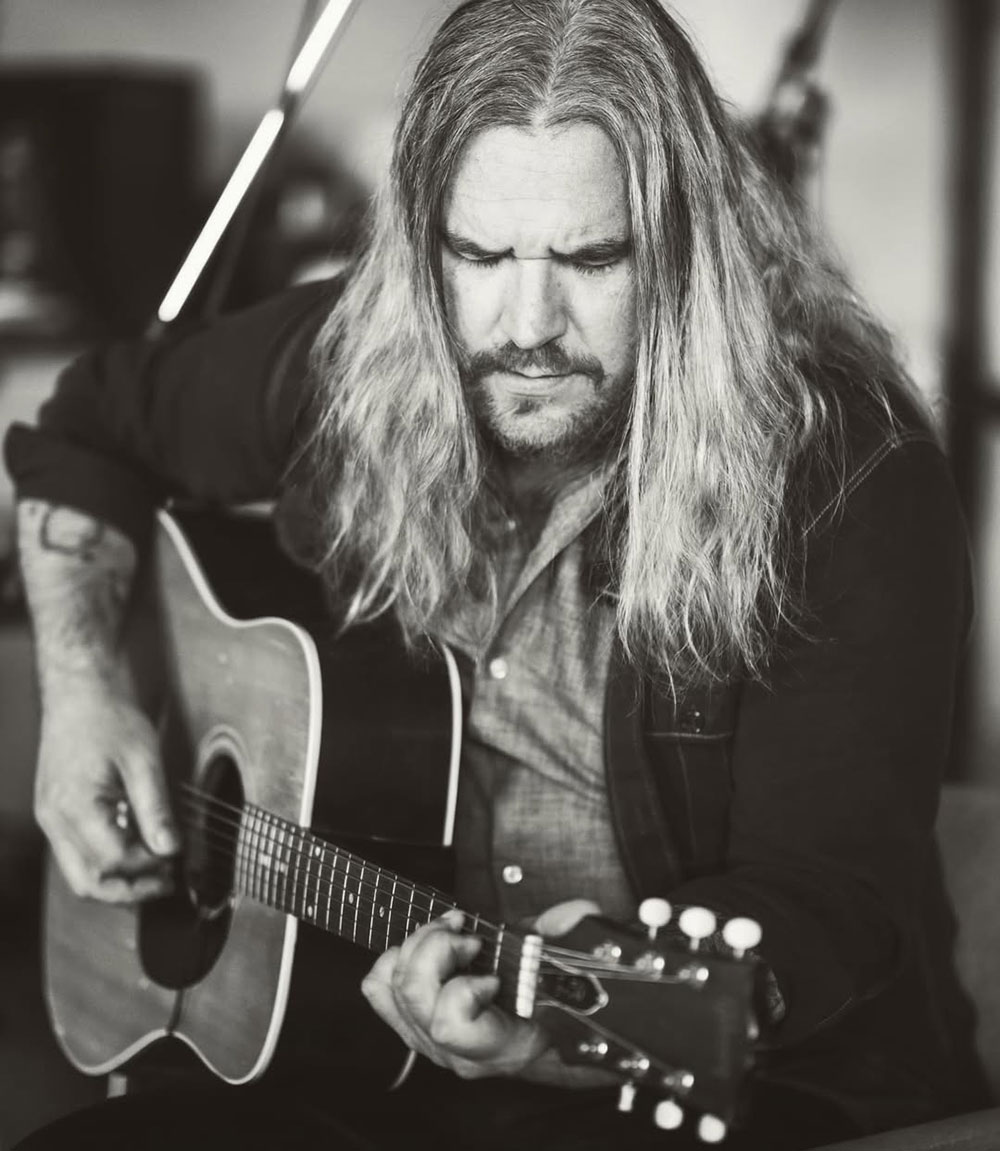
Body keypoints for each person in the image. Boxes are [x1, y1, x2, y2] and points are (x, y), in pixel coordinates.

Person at [4, 0, 989, 1147]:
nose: (527, 325)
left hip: (717, 1088)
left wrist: (561, 1024)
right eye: (478, 256)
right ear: (420, 247)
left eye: (592, 258)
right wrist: (84, 696)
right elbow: (89, 426)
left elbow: (825, 900)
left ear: (687, 248)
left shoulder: (845, 473)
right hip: (357, 1050)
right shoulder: (357, 357)